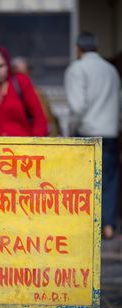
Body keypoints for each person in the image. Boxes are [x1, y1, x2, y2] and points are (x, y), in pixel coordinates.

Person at [64, 32, 121, 239]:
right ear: (96, 47)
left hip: (87, 133)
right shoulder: (111, 69)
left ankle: (88, 227)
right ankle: (108, 226)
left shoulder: (77, 69)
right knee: (110, 181)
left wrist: (71, 131)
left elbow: (77, 106)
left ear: (78, 48)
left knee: (85, 182)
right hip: (110, 132)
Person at [0, 46, 48, 137]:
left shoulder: (21, 83)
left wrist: (34, 143)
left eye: (0, 66)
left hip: (20, 147)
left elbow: (39, 117)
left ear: (7, 66)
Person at [12, 56, 60, 136]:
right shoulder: (4, 93)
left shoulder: (37, 93)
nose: (22, 79)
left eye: (25, 73)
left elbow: (47, 118)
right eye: (18, 74)